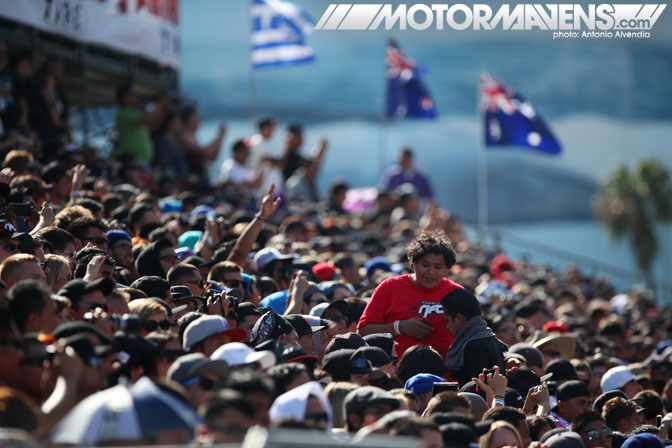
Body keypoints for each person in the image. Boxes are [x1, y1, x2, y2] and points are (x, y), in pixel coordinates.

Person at [358, 230, 461, 360]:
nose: (431, 272)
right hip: (398, 375)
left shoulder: (457, 294)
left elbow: (472, 334)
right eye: (425, 265)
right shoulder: (389, 287)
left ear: (447, 269)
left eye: (438, 267)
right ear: (413, 263)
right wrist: (400, 327)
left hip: (446, 376)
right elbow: (363, 331)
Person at [442, 288, 507, 386]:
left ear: (459, 319)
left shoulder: (473, 346)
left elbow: (476, 390)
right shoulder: (489, 338)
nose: (447, 327)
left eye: (447, 320)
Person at [115, 83, 172, 164]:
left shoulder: (135, 113)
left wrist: (163, 111)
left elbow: (154, 127)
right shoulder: (123, 112)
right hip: (133, 160)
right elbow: (146, 119)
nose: (136, 97)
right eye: (133, 95)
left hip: (142, 159)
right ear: (125, 97)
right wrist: (161, 104)